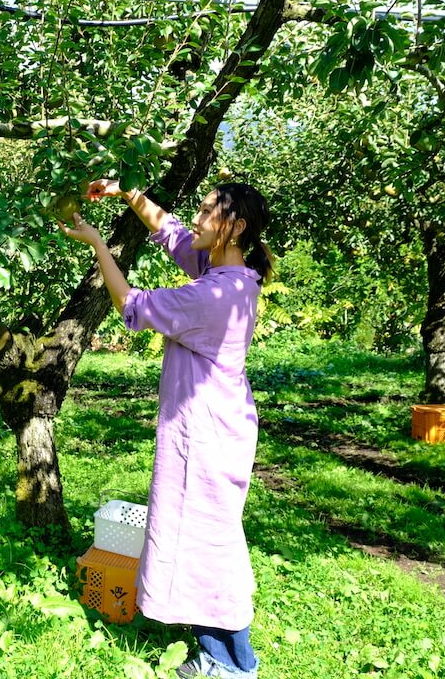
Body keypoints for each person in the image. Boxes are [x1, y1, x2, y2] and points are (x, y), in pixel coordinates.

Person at [60, 180, 273, 679]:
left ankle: (232, 665)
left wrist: (98, 245)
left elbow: (130, 304)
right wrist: (124, 192)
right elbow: (169, 230)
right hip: (215, 425)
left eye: (205, 212)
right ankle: (222, 656)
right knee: (202, 537)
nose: (195, 219)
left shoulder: (215, 294)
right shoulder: (228, 272)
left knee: (209, 545)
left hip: (206, 435)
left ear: (233, 226)